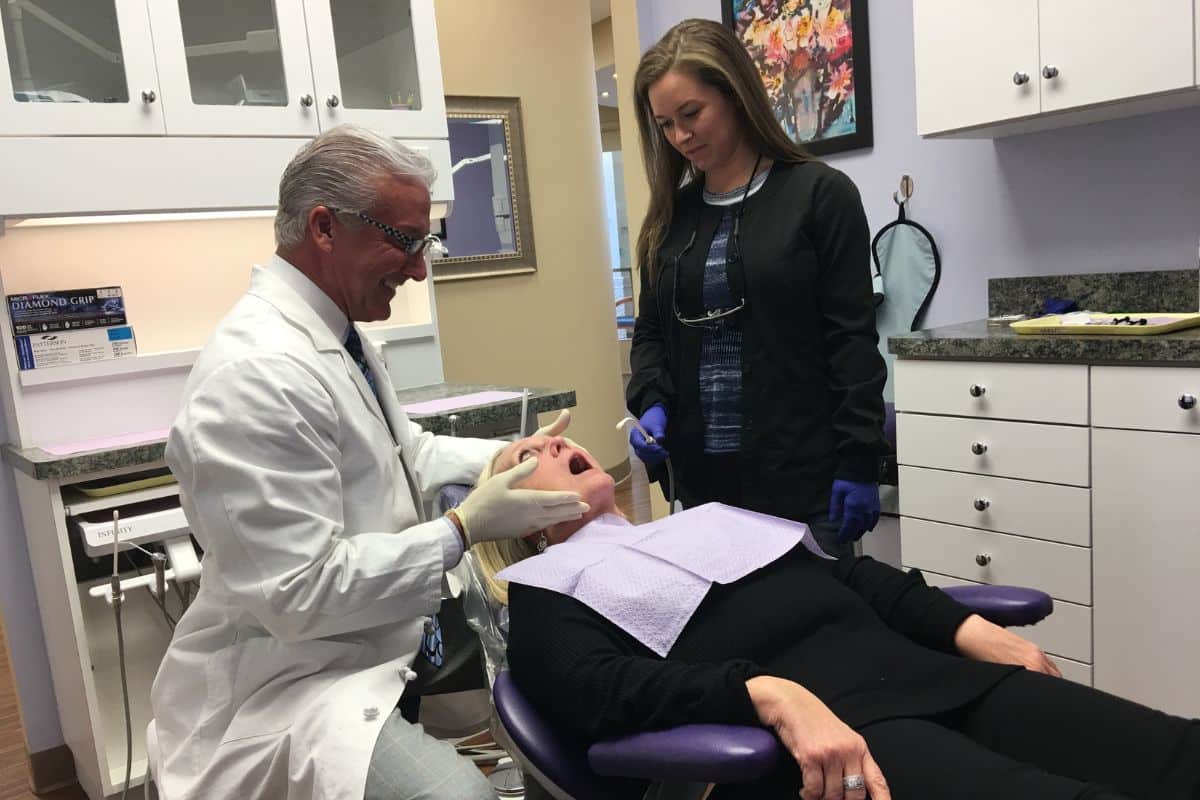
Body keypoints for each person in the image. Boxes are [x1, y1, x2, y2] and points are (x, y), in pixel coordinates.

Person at [150, 124, 590, 800]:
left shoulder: (337, 335)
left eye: (425, 242)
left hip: (363, 651)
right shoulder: (255, 376)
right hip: (288, 689)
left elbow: (402, 451)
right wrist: (460, 532)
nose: (419, 267)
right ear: (325, 228)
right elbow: (300, 596)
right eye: (405, 240)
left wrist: (507, 459)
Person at [473, 434, 1200, 800]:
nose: (559, 444)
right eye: (528, 453)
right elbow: (600, 691)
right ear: (519, 518)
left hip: (936, 676)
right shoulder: (545, 590)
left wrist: (968, 629)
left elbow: (851, 573)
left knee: (1175, 757)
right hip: (833, 744)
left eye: (559, 436)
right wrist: (765, 692)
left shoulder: (700, 522)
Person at [625, 18, 887, 556]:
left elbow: (852, 341)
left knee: (817, 634)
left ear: (737, 94)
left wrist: (861, 460)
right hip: (705, 493)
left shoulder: (820, 196)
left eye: (692, 114)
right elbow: (651, 333)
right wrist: (652, 403)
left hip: (806, 485)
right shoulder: (669, 222)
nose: (680, 136)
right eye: (666, 124)